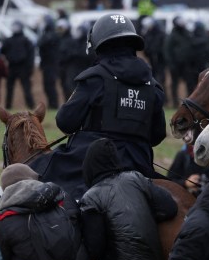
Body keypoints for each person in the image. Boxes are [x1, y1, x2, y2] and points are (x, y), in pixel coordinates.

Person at [57, 15, 166, 176]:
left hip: (89, 165)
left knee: (40, 170)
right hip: (140, 166)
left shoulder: (95, 78)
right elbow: (157, 135)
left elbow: (65, 122)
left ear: (98, 44)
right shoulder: (153, 85)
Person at [1, 21, 36, 109]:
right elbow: (2, 51)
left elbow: (31, 56)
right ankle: (8, 106)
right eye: (14, 27)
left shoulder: (26, 40)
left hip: (23, 68)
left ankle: (31, 106)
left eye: (17, 27)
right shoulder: (8, 40)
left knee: (26, 88)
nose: (15, 29)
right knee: (9, 88)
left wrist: (29, 68)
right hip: (12, 67)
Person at [162, 16, 191, 107]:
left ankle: (190, 102)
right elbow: (167, 51)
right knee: (174, 84)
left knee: (189, 83)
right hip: (175, 65)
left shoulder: (187, 33)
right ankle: (174, 102)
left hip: (186, 64)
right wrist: (171, 64)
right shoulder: (172, 35)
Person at [36, 16, 61, 109]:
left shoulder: (52, 35)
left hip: (52, 64)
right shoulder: (46, 34)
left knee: (51, 86)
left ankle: (54, 105)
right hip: (46, 64)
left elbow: (41, 43)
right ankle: (51, 104)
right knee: (46, 86)